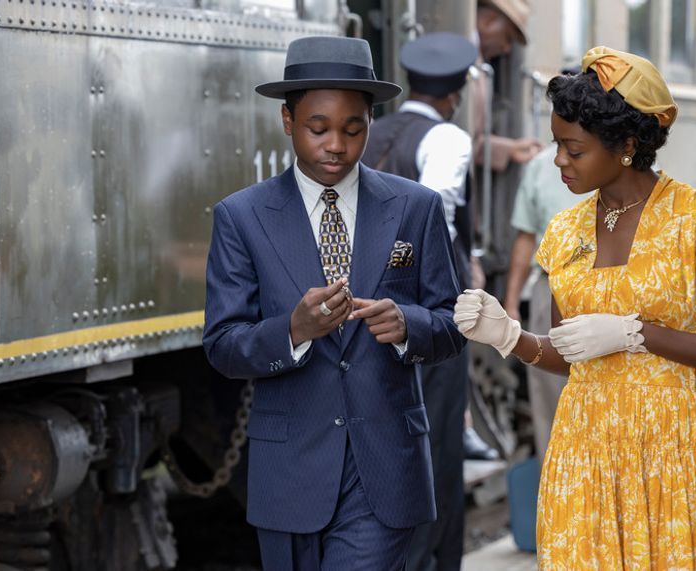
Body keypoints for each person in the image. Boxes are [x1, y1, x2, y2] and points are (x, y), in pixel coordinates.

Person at [454, 47, 696, 568]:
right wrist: (510, 337)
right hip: (583, 445)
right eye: (557, 145)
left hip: (670, 446)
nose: (559, 160)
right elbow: (569, 354)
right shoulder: (565, 229)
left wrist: (635, 334)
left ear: (626, 145)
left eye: (574, 149)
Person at [202, 36, 465, 570]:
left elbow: (452, 324)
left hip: (385, 472)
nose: (336, 146)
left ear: (370, 122)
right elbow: (223, 346)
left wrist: (410, 325)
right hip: (289, 473)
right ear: (286, 120)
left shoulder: (416, 207)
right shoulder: (241, 217)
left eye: (353, 129)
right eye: (317, 128)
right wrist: (293, 331)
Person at [361, 32, 476, 571]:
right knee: (435, 443)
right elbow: (437, 216)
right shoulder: (448, 138)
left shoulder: (370, 129)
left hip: (360, 311)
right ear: (454, 92)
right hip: (425, 313)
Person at [503, 141, 592, 458]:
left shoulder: (618, 161)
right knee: (548, 395)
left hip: (604, 288)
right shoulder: (540, 165)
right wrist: (512, 302)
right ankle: (555, 486)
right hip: (548, 286)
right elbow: (526, 236)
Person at [472, 0, 544, 171]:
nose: (506, 49)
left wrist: (508, 149)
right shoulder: (463, 58)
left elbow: (466, 139)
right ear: (488, 21)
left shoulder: (477, 61)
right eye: (508, 37)